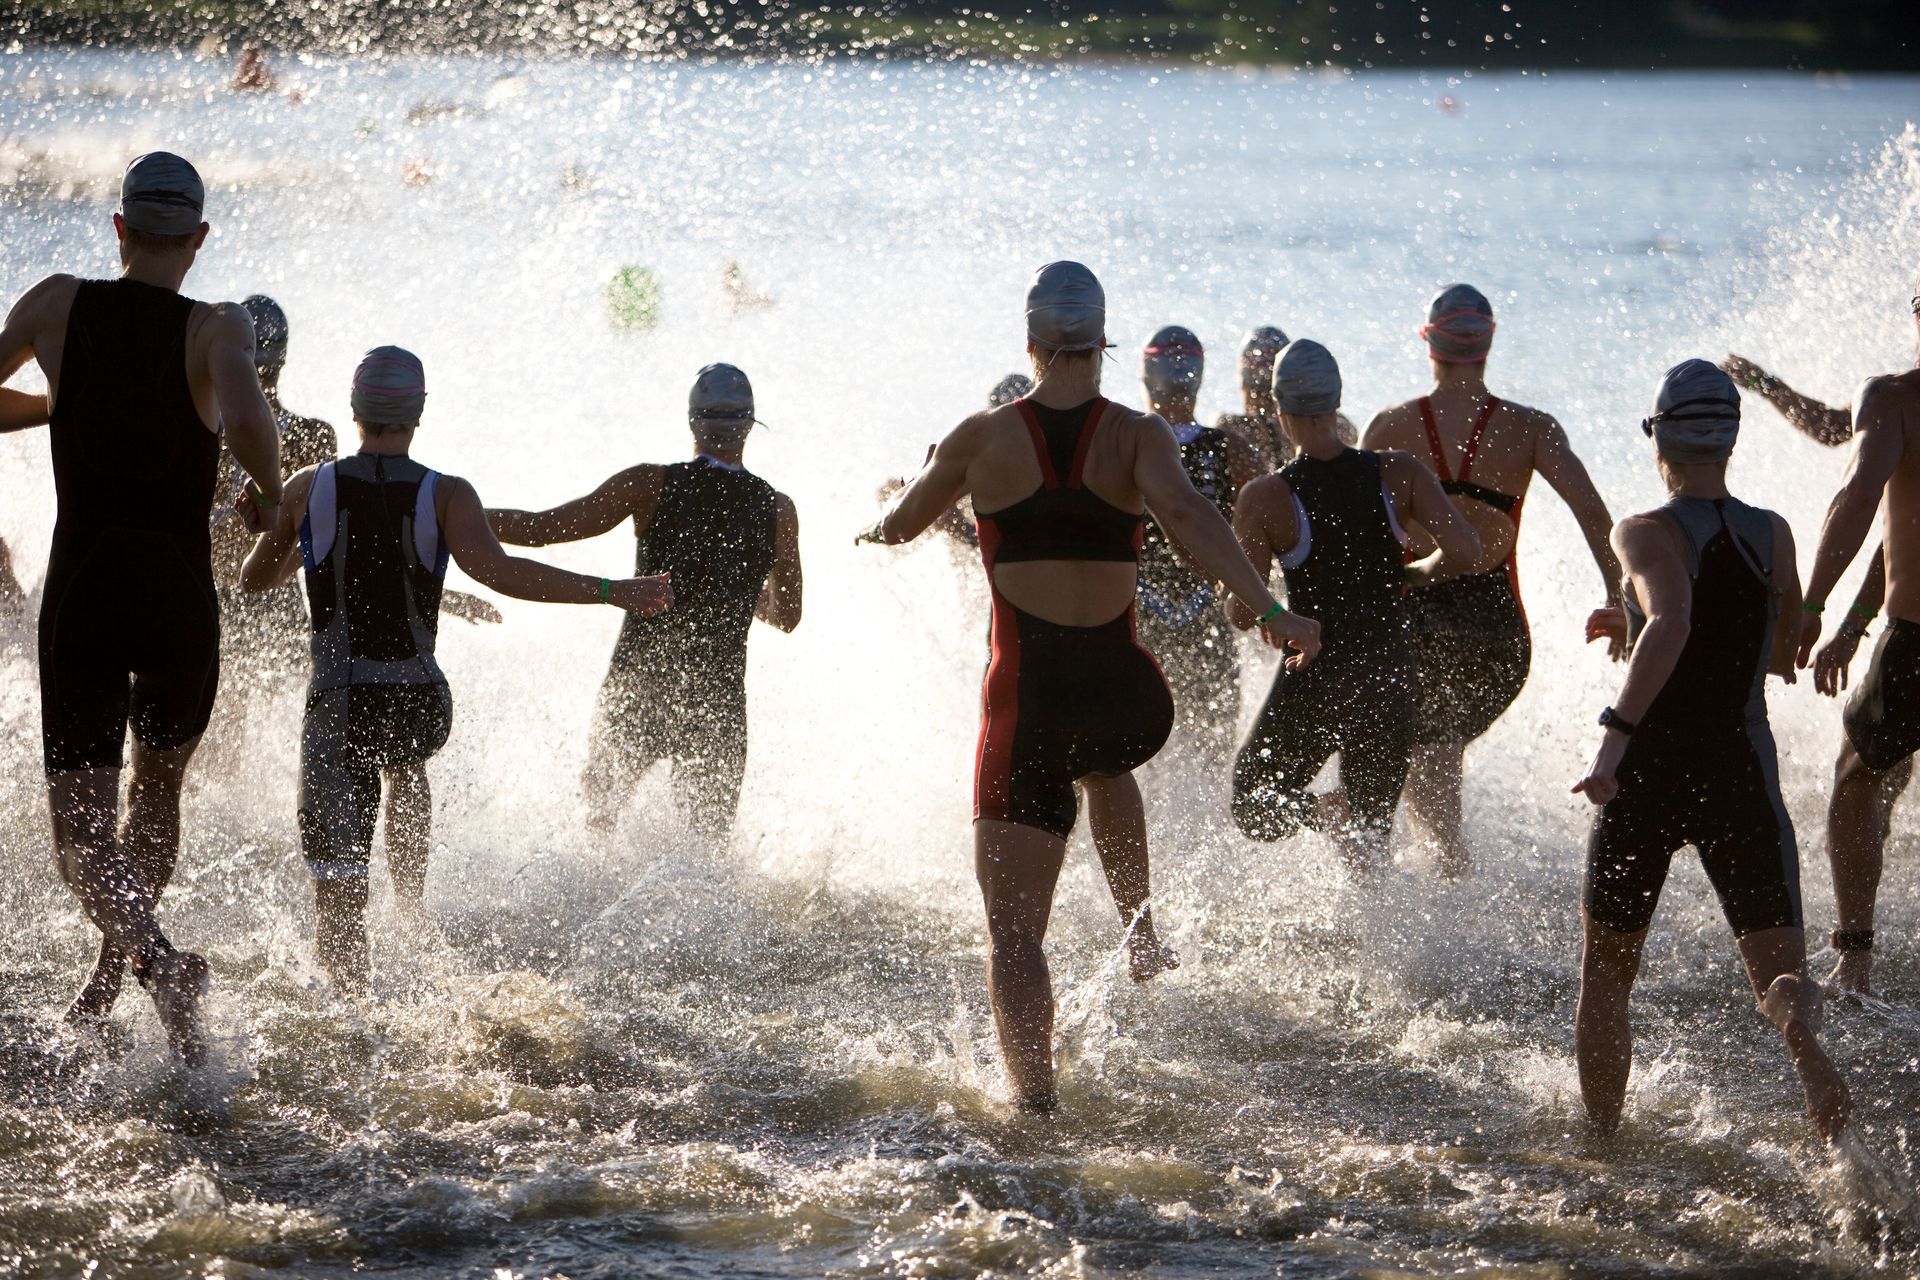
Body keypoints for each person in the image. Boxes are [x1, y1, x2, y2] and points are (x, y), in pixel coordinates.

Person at [862, 261, 1320, 1111]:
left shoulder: (980, 437)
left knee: (1014, 938)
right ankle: (1140, 928)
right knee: (1107, 767)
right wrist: (1271, 611)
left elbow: (902, 526)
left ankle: (1036, 1107)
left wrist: (885, 515)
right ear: (1104, 342)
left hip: (1029, 701)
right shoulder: (1139, 437)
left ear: (1030, 342)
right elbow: (1190, 520)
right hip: (1123, 694)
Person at [239, 347, 674, 989]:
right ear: (417, 414)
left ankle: (354, 1008)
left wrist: (272, 530)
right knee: (404, 766)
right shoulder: (445, 493)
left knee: (339, 894)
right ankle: (411, 911)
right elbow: (507, 573)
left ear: (355, 410)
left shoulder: (309, 486)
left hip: (341, 703)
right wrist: (613, 590)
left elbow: (255, 579)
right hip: (419, 701)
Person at [0, 152, 284, 1063]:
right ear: (197, 239)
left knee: (82, 838)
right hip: (178, 602)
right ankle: (120, 970)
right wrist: (270, 492)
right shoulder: (217, 325)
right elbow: (249, 422)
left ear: (118, 228)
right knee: (155, 789)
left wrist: (58, 405)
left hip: (84, 597)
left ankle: (155, 963)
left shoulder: (55, 303)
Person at [1574, 359, 1848, 1143]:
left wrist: (1613, 742)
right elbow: (1779, 651)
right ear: (1730, 442)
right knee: (1780, 977)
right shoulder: (1773, 534)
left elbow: (1674, 621)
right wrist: (1635, 625)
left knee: (1608, 977)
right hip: (1740, 771)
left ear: (1659, 440)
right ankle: (1804, 1044)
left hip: (1648, 774)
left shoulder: (1643, 531)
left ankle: (1602, 1147)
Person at [1363, 283, 1622, 876]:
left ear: (1428, 341)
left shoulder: (1389, 427)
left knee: (1427, 760)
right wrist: (1619, 597)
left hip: (1417, 617)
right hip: (1499, 628)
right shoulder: (1530, 428)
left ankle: (1444, 900)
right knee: (1433, 756)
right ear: (1489, 341)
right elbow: (1593, 513)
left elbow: (1341, 524)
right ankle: (1444, 889)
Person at [488, 363, 801, 841]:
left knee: (599, 827)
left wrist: (452, 517)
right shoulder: (776, 508)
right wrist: (734, 590)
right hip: (717, 699)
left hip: (638, 685)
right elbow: (788, 616)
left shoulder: (649, 484)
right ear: (749, 426)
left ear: (693, 421)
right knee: (706, 852)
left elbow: (542, 529)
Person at [1229, 340, 1480, 870]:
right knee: (1370, 843)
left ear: (1279, 409)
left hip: (1316, 677)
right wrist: (1416, 572)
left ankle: (1321, 811)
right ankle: (1384, 924)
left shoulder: (1266, 496)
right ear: (1338, 401)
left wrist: (1240, 592)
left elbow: (1241, 612)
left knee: (1254, 802)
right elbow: (1466, 551)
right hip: (1389, 673)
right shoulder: (1399, 472)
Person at [1793, 289, 1920, 995]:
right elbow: (1903, 531)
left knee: (1855, 776)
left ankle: (1855, 960)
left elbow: (1859, 496)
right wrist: (1851, 625)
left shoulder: (1895, 397)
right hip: (1902, 629)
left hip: (1918, 642)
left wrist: (1813, 604)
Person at [1133, 326, 1263, 761]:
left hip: (1136, 618)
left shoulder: (1123, 444)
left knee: (1134, 758)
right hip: (1208, 615)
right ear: (1198, 377)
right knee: (1214, 755)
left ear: (1147, 376)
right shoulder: (1231, 449)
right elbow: (1277, 522)